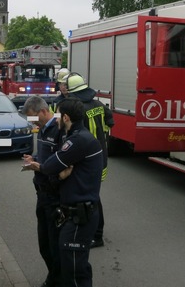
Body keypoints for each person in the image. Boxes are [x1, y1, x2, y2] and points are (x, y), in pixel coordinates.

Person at [38, 97, 103, 287]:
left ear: (65, 117)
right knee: (75, 264)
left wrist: (52, 169)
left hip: (80, 215)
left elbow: (49, 166)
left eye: (58, 114)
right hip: (76, 213)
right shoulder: (78, 136)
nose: (56, 118)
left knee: (74, 269)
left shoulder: (78, 140)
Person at [65, 72, 114, 248]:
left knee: (91, 197)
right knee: (93, 194)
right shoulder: (99, 104)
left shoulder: (79, 110)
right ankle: (90, 229)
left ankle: (97, 235)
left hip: (87, 159)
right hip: (101, 156)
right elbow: (110, 122)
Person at [22, 96, 65, 287]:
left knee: (53, 244)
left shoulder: (58, 128)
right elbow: (46, 155)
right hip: (41, 192)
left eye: (33, 117)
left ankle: (56, 280)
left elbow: (61, 160)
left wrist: (40, 167)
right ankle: (54, 276)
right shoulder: (43, 128)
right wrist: (35, 158)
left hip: (53, 194)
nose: (33, 122)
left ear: (42, 111)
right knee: (44, 244)